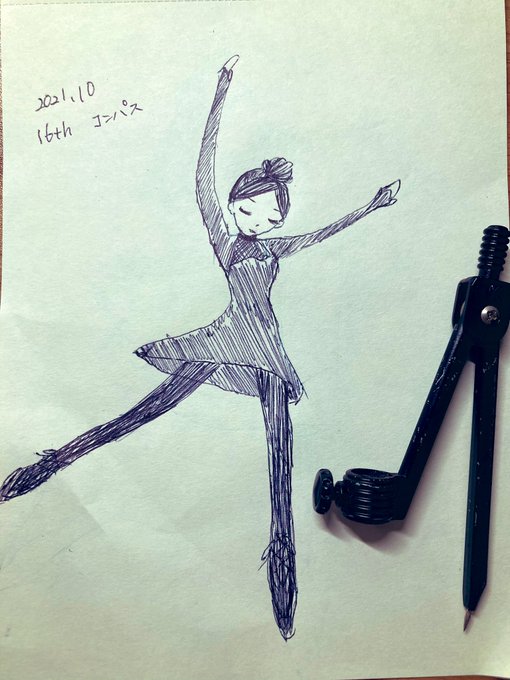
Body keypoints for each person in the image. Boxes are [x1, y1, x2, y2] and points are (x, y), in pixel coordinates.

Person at [0, 55, 400, 639]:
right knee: (145, 412)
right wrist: (220, 91)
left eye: (269, 213)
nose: (257, 218)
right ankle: (48, 464)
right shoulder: (224, 237)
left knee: (280, 452)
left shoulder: (274, 248)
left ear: (278, 218)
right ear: (235, 207)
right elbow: (203, 171)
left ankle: (283, 564)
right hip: (224, 340)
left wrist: (371, 206)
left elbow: (322, 233)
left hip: (266, 352)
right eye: (248, 207)